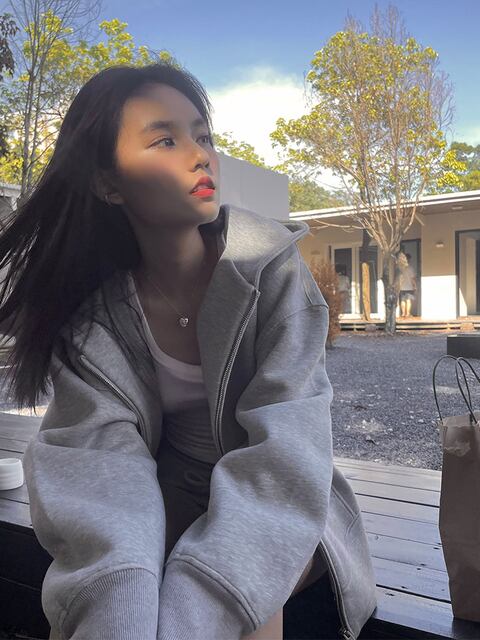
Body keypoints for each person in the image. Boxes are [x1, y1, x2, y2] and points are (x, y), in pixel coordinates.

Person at [0, 62, 377, 640]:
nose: (201, 155)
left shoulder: (269, 272)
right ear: (108, 183)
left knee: (249, 600)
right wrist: (119, 599)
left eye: (203, 135)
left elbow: (288, 446)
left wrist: (197, 603)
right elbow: (99, 461)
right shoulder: (97, 315)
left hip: (279, 502)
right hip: (160, 496)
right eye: (165, 140)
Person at [398, 252, 417, 318]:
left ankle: (403, 313)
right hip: (409, 287)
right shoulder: (411, 268)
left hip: (402, 287)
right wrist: (415, 286)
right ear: (409, 259)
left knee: (402, 300)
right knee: (408, 300)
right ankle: (407, 313)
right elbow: (412, 278)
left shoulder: (400, 268)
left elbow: (399, 278)